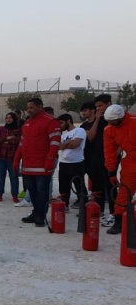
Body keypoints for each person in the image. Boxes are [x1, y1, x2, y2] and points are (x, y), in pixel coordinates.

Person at [12, 98, 61, 227]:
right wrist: (17, 159)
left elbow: (55, 142)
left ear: (40, 107)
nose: (29, 110)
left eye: (31, 107)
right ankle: (35, 212)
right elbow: (22, 143)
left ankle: (41, 215)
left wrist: (50, 159)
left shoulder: (50, 121)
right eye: (27, 108)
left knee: (42, 192)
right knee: (32, 192)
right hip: (28, 165)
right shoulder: (27, 123)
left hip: (42, 166)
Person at [103, 104, 136, 234]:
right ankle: (118, 222)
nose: (111, 123)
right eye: (109, 121)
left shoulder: (134, 122)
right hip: (131, 162)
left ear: (121, 117)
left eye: (113, 121)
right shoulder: (109, 130)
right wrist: (111, 172)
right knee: (124, 193)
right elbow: (109, 152)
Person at [92, 95, 117, 227]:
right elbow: (91, 137)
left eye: (100, 105)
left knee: (110, 184)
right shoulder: (100, 119)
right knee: (97, 183)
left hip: (110, 157)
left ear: (109, 104)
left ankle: (114, 213)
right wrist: (96, 119)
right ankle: (98, 210)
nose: (98, 108)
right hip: (98, 155)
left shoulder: (114, 119)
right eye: (96, 106)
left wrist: (114, 154)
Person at [56, 114, 86, 209]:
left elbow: (75, 144)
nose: (60, 125)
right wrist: (69, 143)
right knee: (63, 186)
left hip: (76, 163)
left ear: (68, 121)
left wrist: (66, 144)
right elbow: (58, 146)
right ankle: (65, 205)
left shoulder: (79, 130)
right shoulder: (63, 135)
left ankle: (83, 205)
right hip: (64, 163)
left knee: (79, 185)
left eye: (61, 123)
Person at [0, 112, 21, 203]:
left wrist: (4, 140)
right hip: (0, 156)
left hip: (12, 157)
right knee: (0, 176)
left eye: (10, 118)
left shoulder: (18, 130)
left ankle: (15, 195)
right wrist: (8, 139)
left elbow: (18, 141)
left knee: (14, 176)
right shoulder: (0, 129)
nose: (8, 120)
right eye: (7, 118)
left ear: (14, 119)